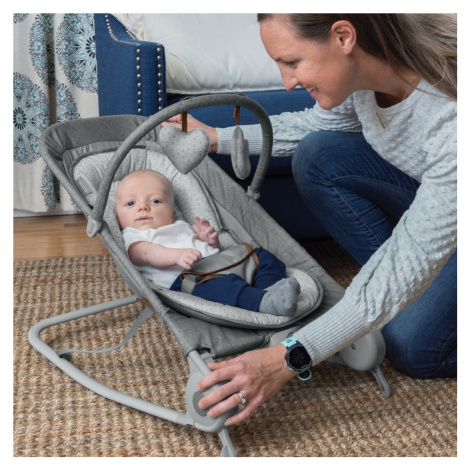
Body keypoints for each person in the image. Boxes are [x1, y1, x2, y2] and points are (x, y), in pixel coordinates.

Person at [163, 14, 457, 426]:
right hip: (442, 203)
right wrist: (214, 138)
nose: (287, 83)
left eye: (292, 62)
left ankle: (409, 297)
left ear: (343, 37)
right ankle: (410, 293)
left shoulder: (451, 120)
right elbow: (310, 127)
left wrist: (289, 357)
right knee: (318, 155)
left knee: (412, 345)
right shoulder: (366, 79)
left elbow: (409, 258)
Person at [115, 169, 301, 316]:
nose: (143, 207)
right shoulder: (133, 235)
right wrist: (176, 256)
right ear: (117, 216)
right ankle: (264, 303)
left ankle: (269, 290)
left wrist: (211, 243)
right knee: (225, 287)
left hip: (218, 265)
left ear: (172, 213)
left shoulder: (180, 225)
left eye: (155, 201)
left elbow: (209, 253)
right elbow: (145, 254)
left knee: (262, 255)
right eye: (131, 203)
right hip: (189, 280)